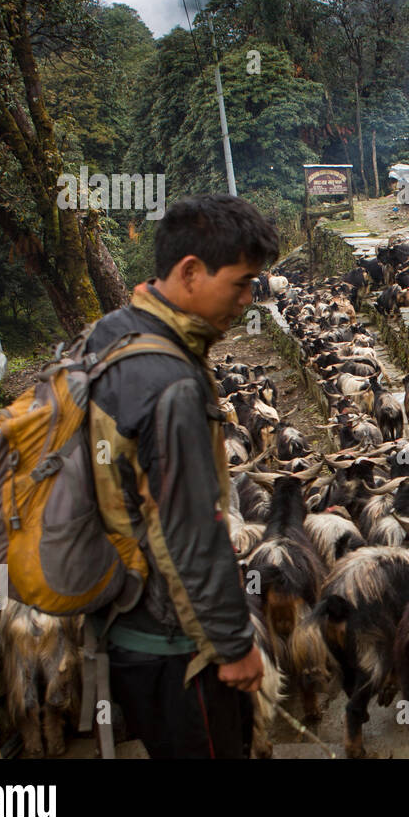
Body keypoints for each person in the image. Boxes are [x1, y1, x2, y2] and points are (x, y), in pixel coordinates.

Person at [85, 193, 279, 758]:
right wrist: (233, 643)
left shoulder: (114, 333)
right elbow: (191, 532)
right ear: (190, 271)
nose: (248, 300)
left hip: (127, 626)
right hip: (179, 648)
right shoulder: (171, 384)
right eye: (240, 283)